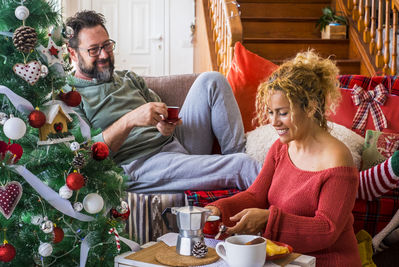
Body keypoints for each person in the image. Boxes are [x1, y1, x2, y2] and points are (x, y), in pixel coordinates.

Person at [64, 10, 261, 193]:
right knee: (242, 165)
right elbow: (85, 156)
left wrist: (164, 124)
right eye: (93, 50)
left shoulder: (128, 77)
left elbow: (161, 113)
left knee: (212, 80)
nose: (104, 54)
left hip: (174, 144)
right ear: (73, 53)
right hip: (139, 163)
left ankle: (236, 156)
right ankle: (247, 173)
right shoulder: (70, 96)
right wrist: (130, 120)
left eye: (107, 45)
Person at [206, 51, 362, 266]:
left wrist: (269, 219)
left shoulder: (337, 158)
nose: (274, 122)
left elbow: (327, 229)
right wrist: (218, 209)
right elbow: (255, 196)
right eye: (270, 112)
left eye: (282, 113)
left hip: (326, 261)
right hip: (286, 258)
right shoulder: (281, 148)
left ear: (310, 107)